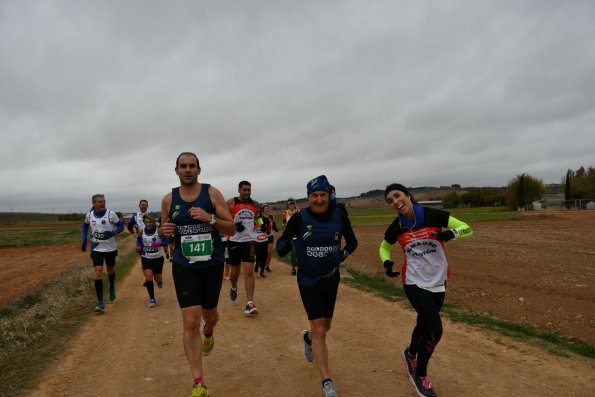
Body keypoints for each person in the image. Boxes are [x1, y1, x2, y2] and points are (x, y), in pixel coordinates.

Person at [379, 183, 473, 397]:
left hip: (438, 281)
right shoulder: (396, 227)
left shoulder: (434, 215)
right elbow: (384, 246)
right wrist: (386, 262)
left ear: (407, 195)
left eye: (397, 195)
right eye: (390, 200)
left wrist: (451, 235)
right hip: (413, 282)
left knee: (423, 324)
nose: (395, 201)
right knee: (435, 329)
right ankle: (420, 375)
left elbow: (467, 228)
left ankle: (410, 353)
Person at [159, 152, 235, 397]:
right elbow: (165, 231)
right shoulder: (168, 199)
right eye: (184, 166)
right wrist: (165, 230)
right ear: (177, 170)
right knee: (190, 320)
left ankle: (209, 332)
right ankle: (198, 382)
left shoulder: (212, 194)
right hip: (184, 266)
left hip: (211, 264)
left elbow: (231, 226)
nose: (188, 170)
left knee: (209, 316)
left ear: (199, 170)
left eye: (192, 166)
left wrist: (210, 218)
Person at [276, 175, 358, 397]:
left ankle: (307, 339)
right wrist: (283, 246)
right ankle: (327, 382)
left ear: (328, 195)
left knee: (324, 327)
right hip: (308, 279)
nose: (319, 199)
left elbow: (353, 242)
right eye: (314, 195)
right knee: (320, 329)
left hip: (331, 277)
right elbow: (282, 244)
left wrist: (342, 255)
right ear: (308, 197)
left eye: (322, 195)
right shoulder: (299, 218)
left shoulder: (339, 216)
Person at [81, 194, 125, 313]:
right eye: (100, 202)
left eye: (104, 201)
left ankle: (111, 287)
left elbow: (121, 227)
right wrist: (84, 239)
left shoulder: (111, 214)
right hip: (96, 249)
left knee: (110, 270)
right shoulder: (89, 215)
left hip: (110, 248)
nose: (103, 203)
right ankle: (100, 302)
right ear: (93, 203)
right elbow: (85, 225)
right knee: (98, 272)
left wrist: (111, 233)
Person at [226, 180, 262, 315]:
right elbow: (221, 217)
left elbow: (258, 218)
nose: (247, 192)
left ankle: (250, 303)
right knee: (235, 271)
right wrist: (234, 226)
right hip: (234, 240)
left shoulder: (255, 205)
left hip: (249, 241)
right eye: (244, 190)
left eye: (249, 190)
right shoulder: (231, 203)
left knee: (249, 272)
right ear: (239, 190)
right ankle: (234, 287)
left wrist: (261, 225)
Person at [136, 213, 170, 307]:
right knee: (148, 276)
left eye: (150, 222)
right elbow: (138, 240)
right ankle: (152, 299)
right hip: (146, 257)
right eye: (146, 222)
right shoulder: (141, 231)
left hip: (158, 258)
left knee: (157, 278)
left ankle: (159, 282)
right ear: (144, 222)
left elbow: (166, 241)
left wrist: (159, 245)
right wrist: (138, 246)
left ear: (153, 222)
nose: (148, 224)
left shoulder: (159, 231)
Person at [282, 198, 300, 275]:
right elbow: (283, 224)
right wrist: (286, 226)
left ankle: (298, 264)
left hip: (298, 235)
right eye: (290, 204)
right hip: (290, 235)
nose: (291, 205)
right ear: (288, 205)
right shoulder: (285, 213)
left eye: (293, 204)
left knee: (299, 251)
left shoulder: (298, 212)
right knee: (293, 251)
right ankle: (293, 268)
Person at [262, 204, 278, 272]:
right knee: (263, 252)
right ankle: (262, 264)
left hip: (270, 236)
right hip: (262, 236)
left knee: (269, 251)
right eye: (265, 208)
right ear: (263, 210)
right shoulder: (261, 217)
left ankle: (267, 266)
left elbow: (274, 226)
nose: (267, 210)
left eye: (268, 208)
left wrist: (276, 229)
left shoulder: (271, 217)